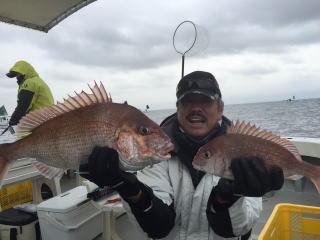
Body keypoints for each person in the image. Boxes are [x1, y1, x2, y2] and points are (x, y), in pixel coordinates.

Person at [80, 71, 284, 240]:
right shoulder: (154, 152)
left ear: (220, 109)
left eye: (205, 101)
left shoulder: (244, 150)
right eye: (187, 102)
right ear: (178, 109)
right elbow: (159, 228)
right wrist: (129, 189)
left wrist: (229, 197)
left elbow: (236, 230)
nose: (196, 108)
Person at [5, 60, 54, 127]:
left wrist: (13, 120)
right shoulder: (38, 81)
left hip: (36, 124)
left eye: (17, 74)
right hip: (46, 122)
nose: (16, 77)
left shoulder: (30, 83)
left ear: (24, 72)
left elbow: (23, 105)